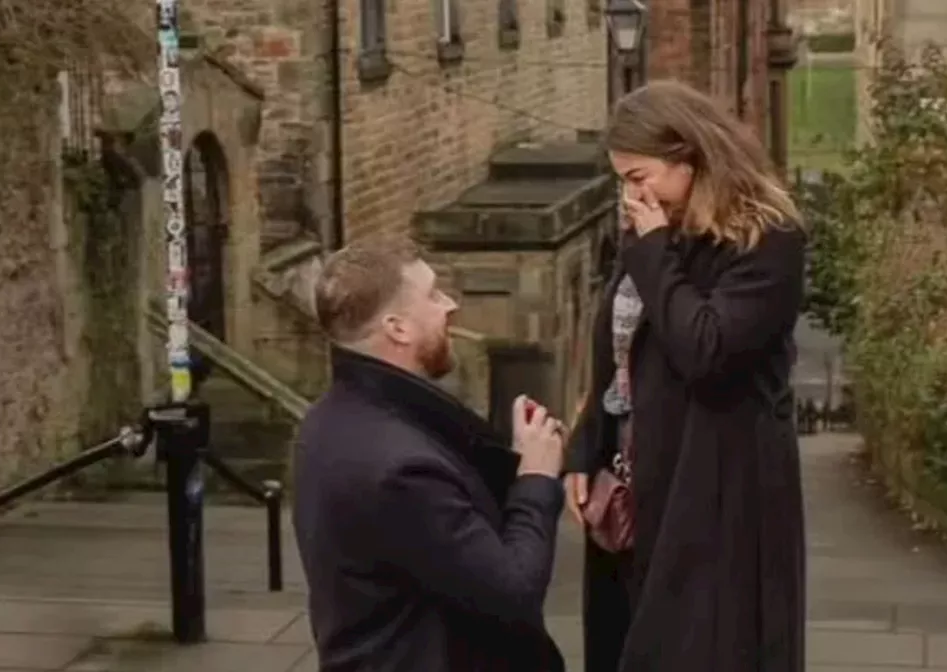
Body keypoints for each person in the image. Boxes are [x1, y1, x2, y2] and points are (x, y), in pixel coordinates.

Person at [562, 79, 808, 672]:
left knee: (700, 649)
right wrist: (585, 446)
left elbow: (706, 349)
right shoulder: (654, 226)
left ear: (689, 159)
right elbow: (619, 350)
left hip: (717, 488)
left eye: (638, 176)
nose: (629, 194)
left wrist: (651, 253)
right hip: (635, 481)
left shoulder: (767, 238)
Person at [292, 236, 569, 672]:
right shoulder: (400, 470)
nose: (450, 306)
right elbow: (513, 591)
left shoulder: (328, 420)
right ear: (397, 327)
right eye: (434, 294)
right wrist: (536, 478)